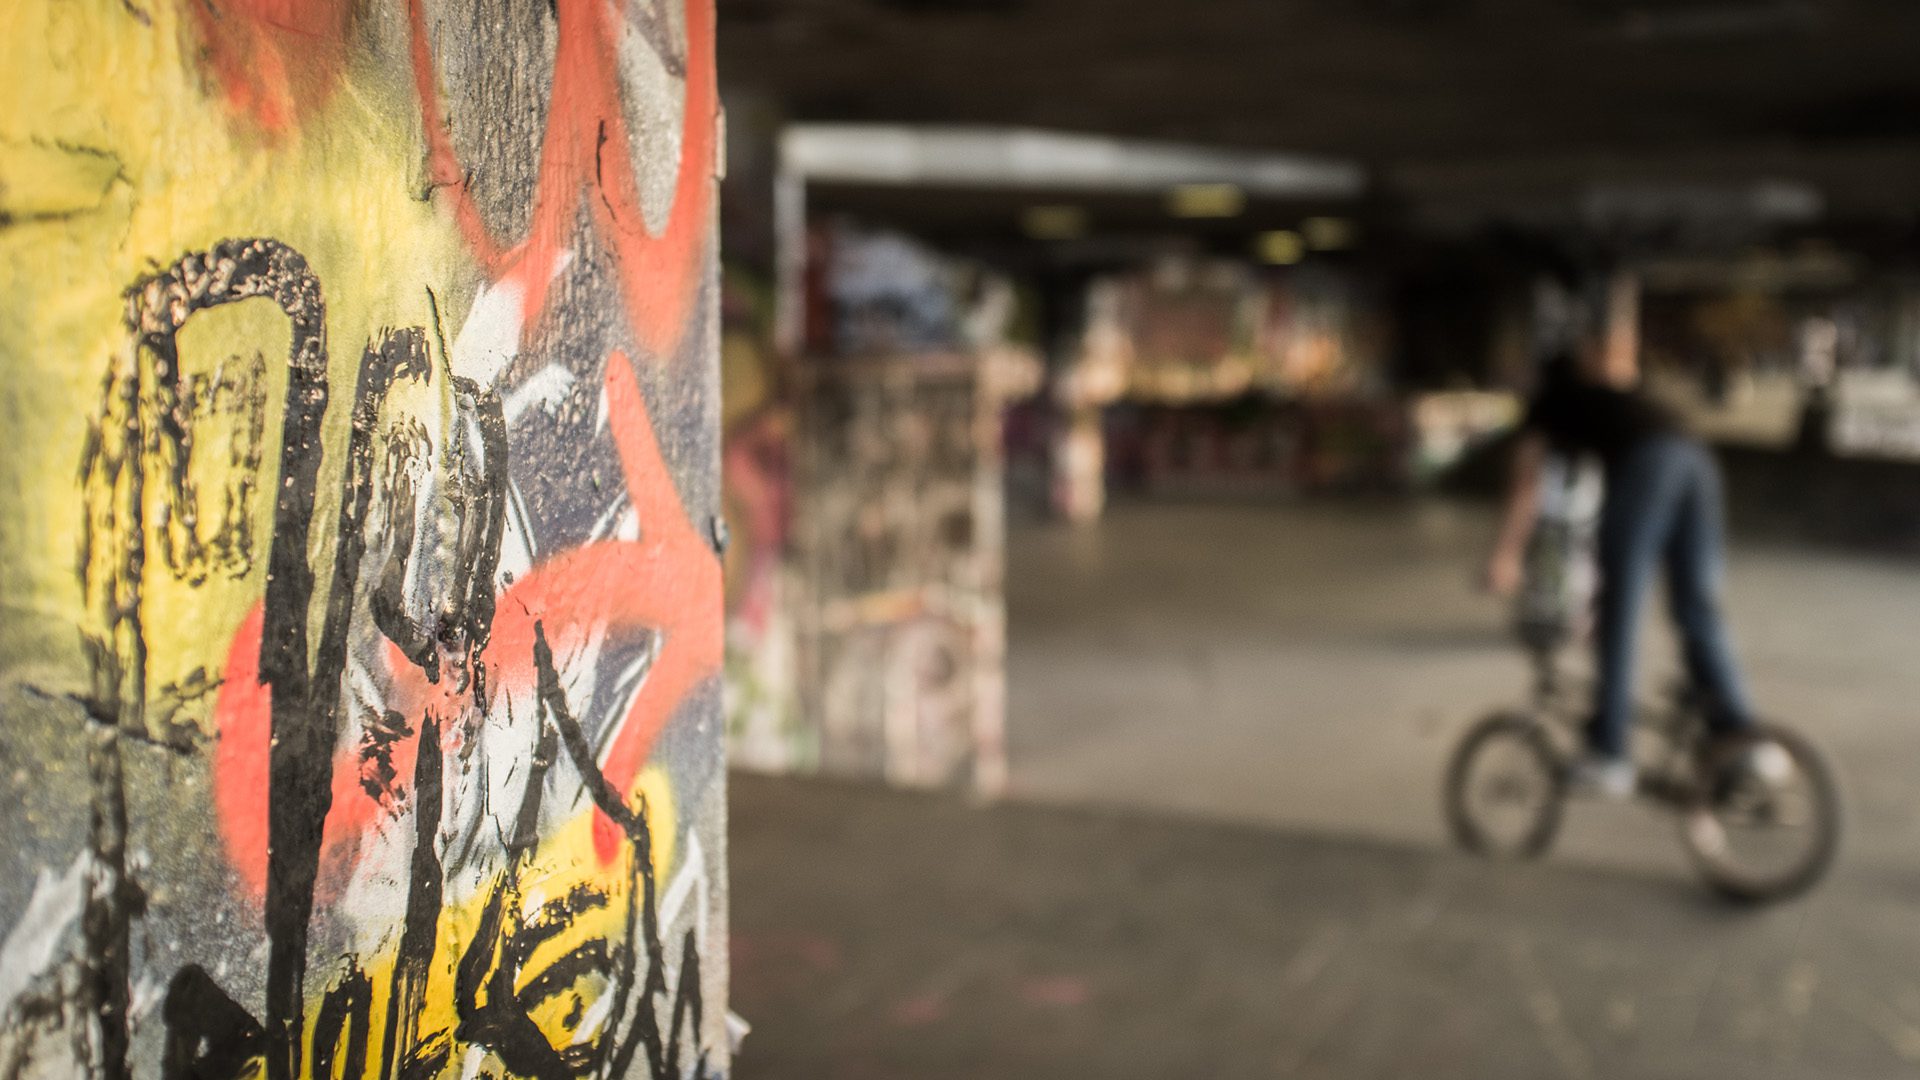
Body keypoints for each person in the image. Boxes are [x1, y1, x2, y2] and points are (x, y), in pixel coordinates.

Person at [1485, 334, 1758, 797]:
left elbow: (1525, 491)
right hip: (1697, 459)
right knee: (1697, 609)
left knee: (1618, 613)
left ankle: (1610, 753)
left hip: (1650, 465)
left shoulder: (1549, 403)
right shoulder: (1602, 396)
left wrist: (1505, 557)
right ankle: (1744, 741)